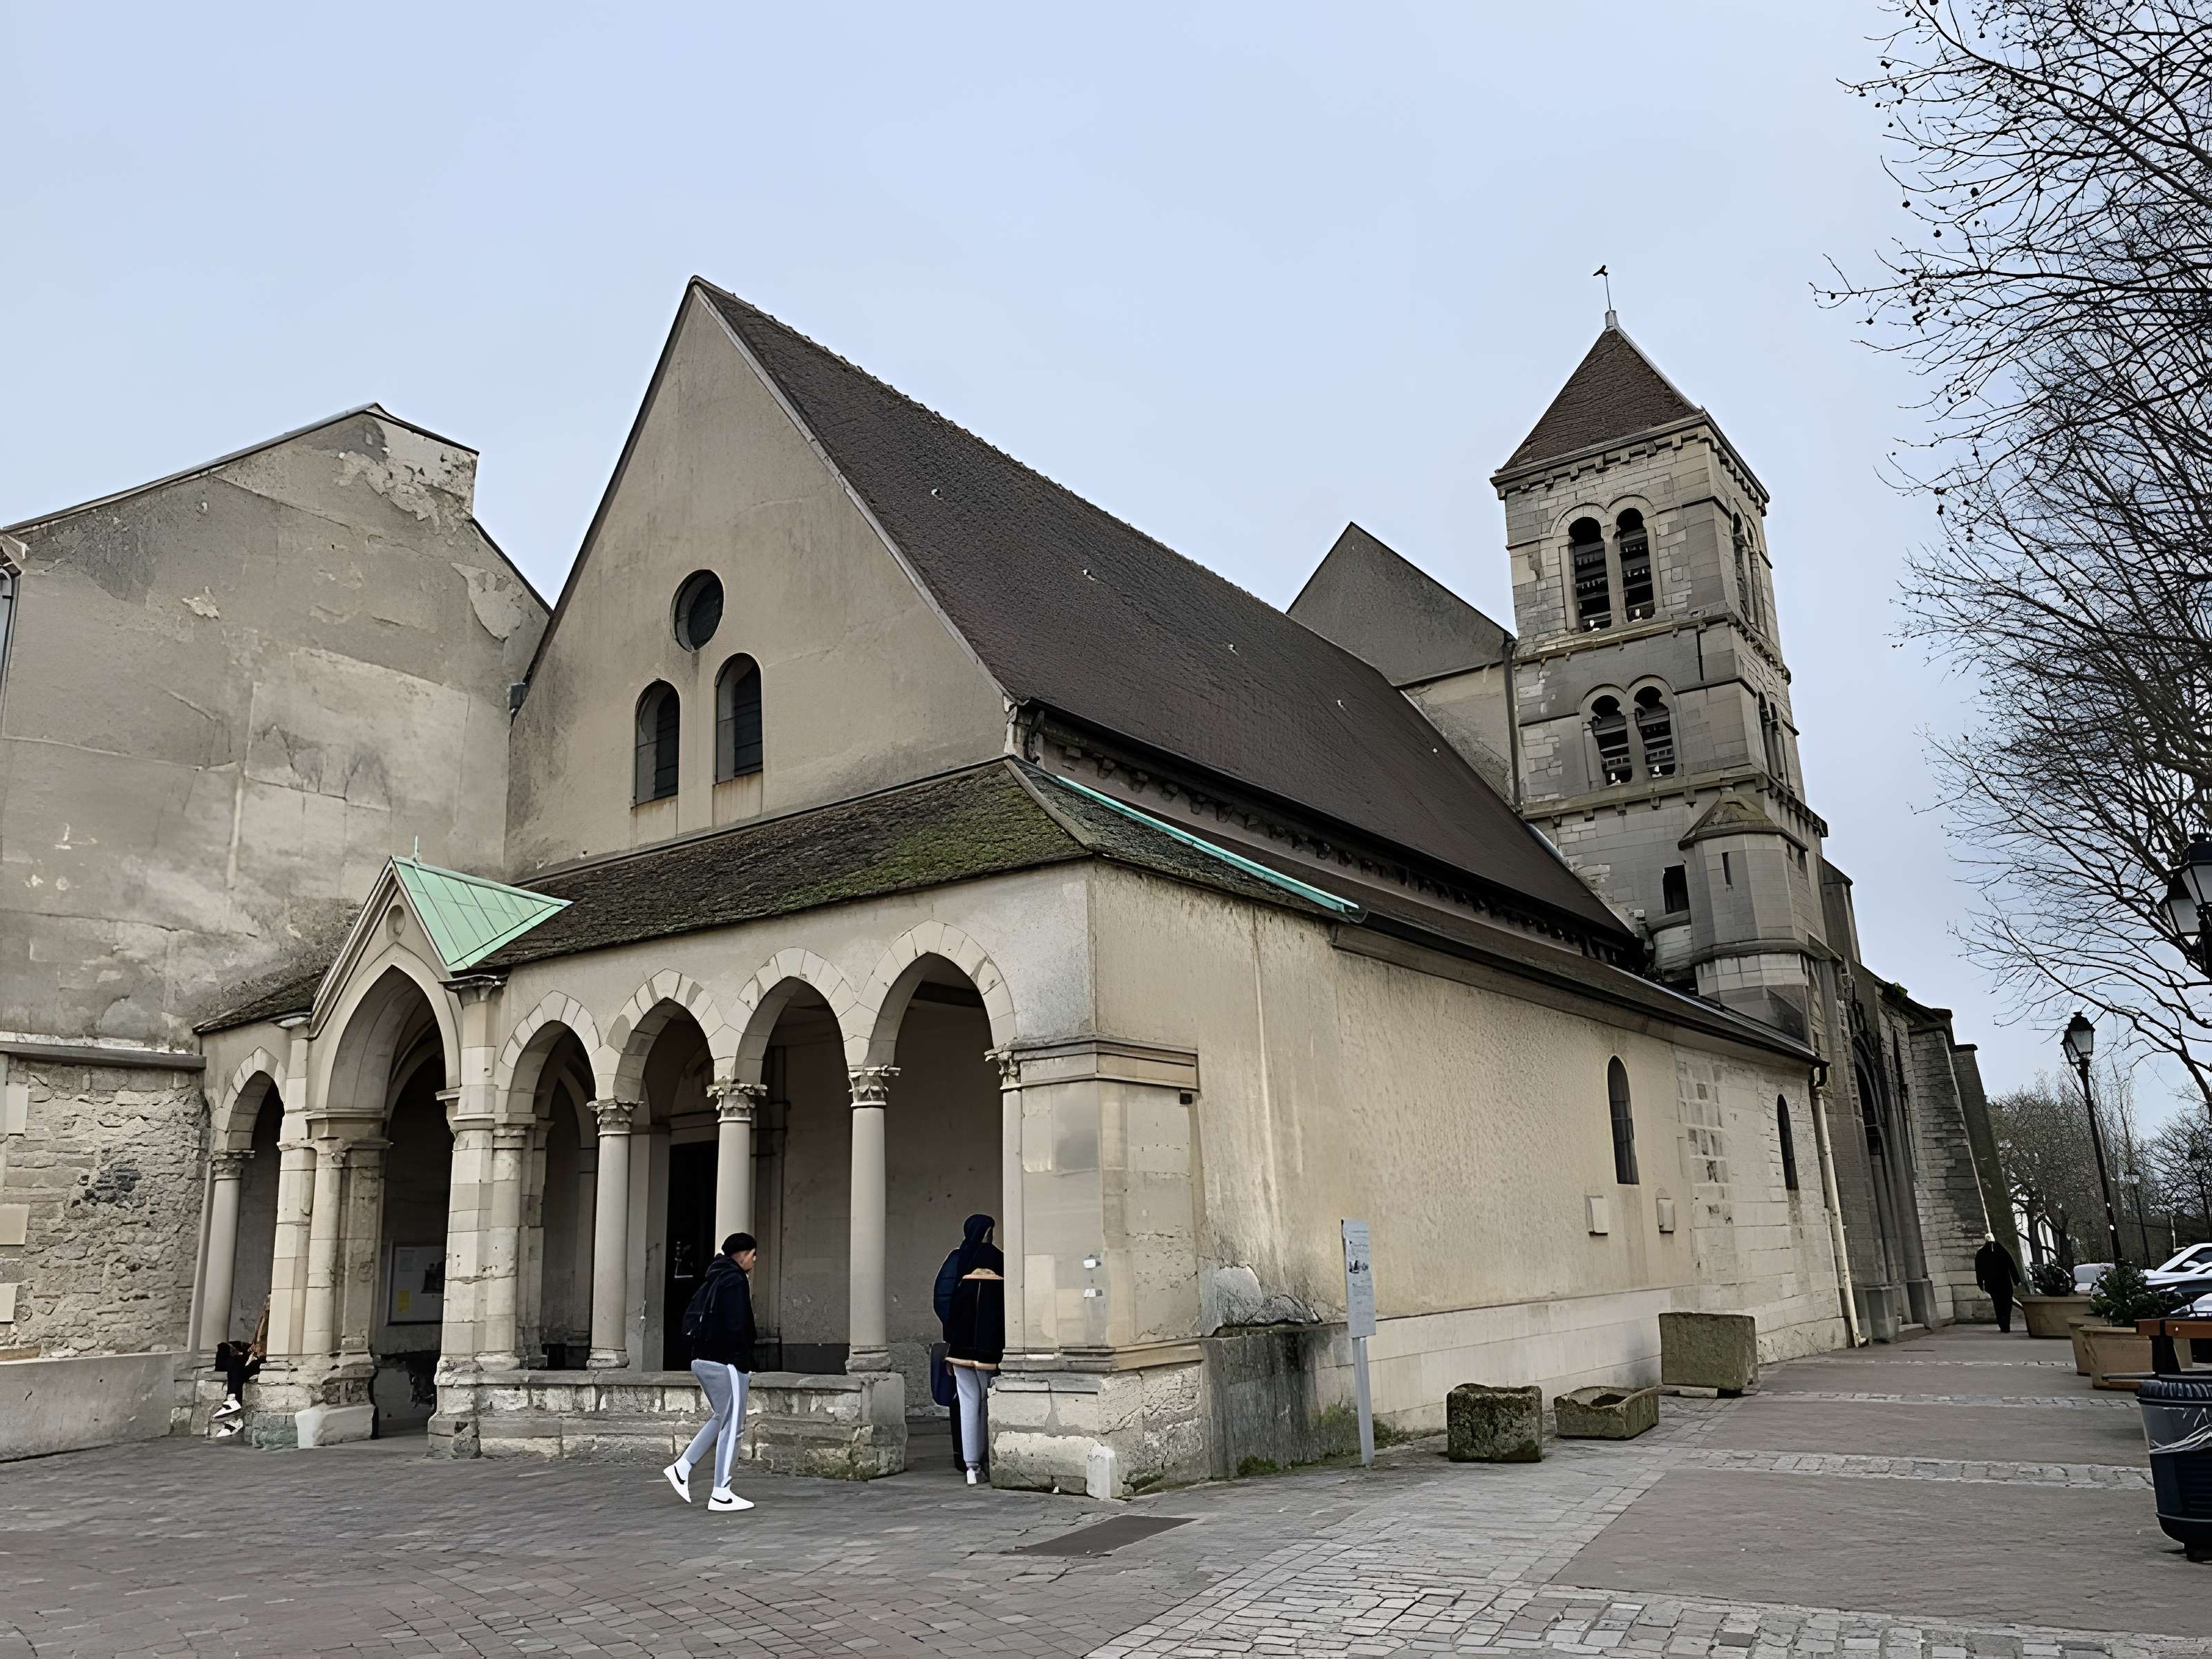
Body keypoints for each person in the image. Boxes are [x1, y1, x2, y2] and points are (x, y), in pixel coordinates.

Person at [664, 1232, 758, 1512]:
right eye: (753, 1255)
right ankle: (721, 1493)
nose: (755, 1260)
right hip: (726, 1361)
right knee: (734, 1426)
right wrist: (743, 1359)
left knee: (722, 1417)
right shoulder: (735, 1279)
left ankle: (682, 1467)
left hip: (702, 1359)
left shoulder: (715, 1275)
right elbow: (737, 1325)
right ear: (742, 1255)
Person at [941, 1212, 1004, 1485]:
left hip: (960, 1347)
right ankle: (988, 1459)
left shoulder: (959, 1259)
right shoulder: (1000, 1258)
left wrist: (951, 1335)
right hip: (990, 1347)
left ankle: (971, 1467)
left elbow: (944, 1301)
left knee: (967, 1404)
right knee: (986, 1403)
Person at [210, 1302, 268, 1438]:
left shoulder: (277, 1318)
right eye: (267, 1300)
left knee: (237, 1369)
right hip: (255, 1355)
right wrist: (248, 1351)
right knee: (233, 1362)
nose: (268, 1303)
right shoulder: (264, 1318)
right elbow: (257, 1343)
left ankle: (234, 1416)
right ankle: (233, 1403)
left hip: (267, 1359)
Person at [1975, 1231, 2023, 1333]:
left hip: (1991, 1283)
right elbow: (2011, 1265)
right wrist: (2016, 1280)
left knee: (1998, 1304)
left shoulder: (1981, 1252)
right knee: (2007, 1303)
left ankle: (2003, 1325)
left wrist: (1980, 1283)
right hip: (2004, 1281)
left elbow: (1979, 1270)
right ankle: (2006, 1324)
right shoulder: (2001, 1250)